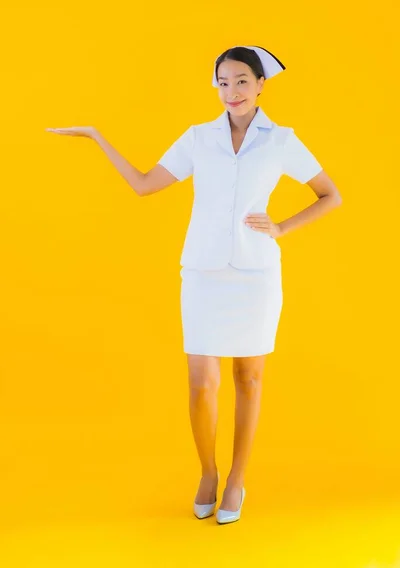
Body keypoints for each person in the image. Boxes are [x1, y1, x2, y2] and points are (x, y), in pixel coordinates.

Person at [46, 45, 342, 525]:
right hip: (203, 275)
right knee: (202, 384)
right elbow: (144, 184)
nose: (231, 92)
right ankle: (208, 471)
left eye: (241, 81)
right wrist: (98, 137)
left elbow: (331, 194)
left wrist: (283, 228)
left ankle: (237, 480)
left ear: (262, 84)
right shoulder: (198, 138)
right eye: (222, 82)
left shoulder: (282, 140)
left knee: (248, 378)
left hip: (256, 275)